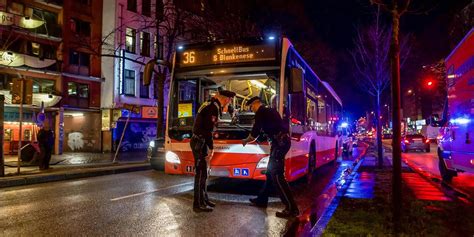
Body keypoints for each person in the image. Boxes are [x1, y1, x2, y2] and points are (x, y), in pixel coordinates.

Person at [242, 96, 299, 218]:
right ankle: (262, 199)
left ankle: (292, 208)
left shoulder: (260, 112)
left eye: (251, 106)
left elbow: (255, 132)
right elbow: (269, 129)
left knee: (277, 175)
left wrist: (246, 140)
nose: (251, 109)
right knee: (269, 172)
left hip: (280, 143)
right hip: (280, 142)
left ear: (257, 103)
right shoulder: (270, 111)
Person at [191, 90, 236, 212]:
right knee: (200, 174)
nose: (229, 103)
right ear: (226, 99)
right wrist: (211, 148)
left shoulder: (210, 104)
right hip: (200, 143)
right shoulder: (213, 108)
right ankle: (198, 204)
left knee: (204, 173)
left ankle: (204, 200)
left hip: (199, 141)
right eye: (229, 100)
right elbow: (208, 131)